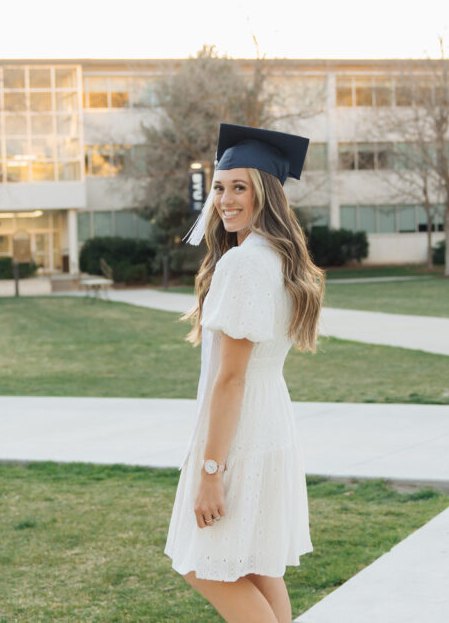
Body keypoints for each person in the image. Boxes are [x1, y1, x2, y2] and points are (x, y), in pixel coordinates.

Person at [163, 123, 325, 623]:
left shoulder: (242, 265)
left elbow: (230, 378)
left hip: (240, 434)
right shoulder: (279, 258)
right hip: (269, 421)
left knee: (206, 564)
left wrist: (211, 473)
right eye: (219, 187)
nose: (226, 199)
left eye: (241, 187)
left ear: (266, 194)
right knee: (255, 568)